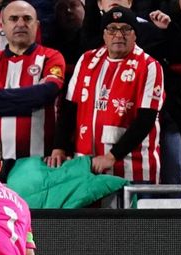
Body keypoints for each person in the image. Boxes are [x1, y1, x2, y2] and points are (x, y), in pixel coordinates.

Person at [52, 6, 164, 184]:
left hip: (133, 169)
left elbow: (145, 120)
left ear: (135, 34)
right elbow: (69, 107)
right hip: (86, 166)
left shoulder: (150, 66)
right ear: (104, 34)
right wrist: (59, 146)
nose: (119, 35)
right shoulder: (87, 60)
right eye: (112, 29)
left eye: (126, 29)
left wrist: (112, 156)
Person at [0, 0, 65, 180]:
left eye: (27, 19)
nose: (21, 24)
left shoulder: (51, 57)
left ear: (37, 25)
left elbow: (47, 93)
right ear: (2, 26)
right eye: (13, 19)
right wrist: (30, 102)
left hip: (38, 158)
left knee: (33, 208)